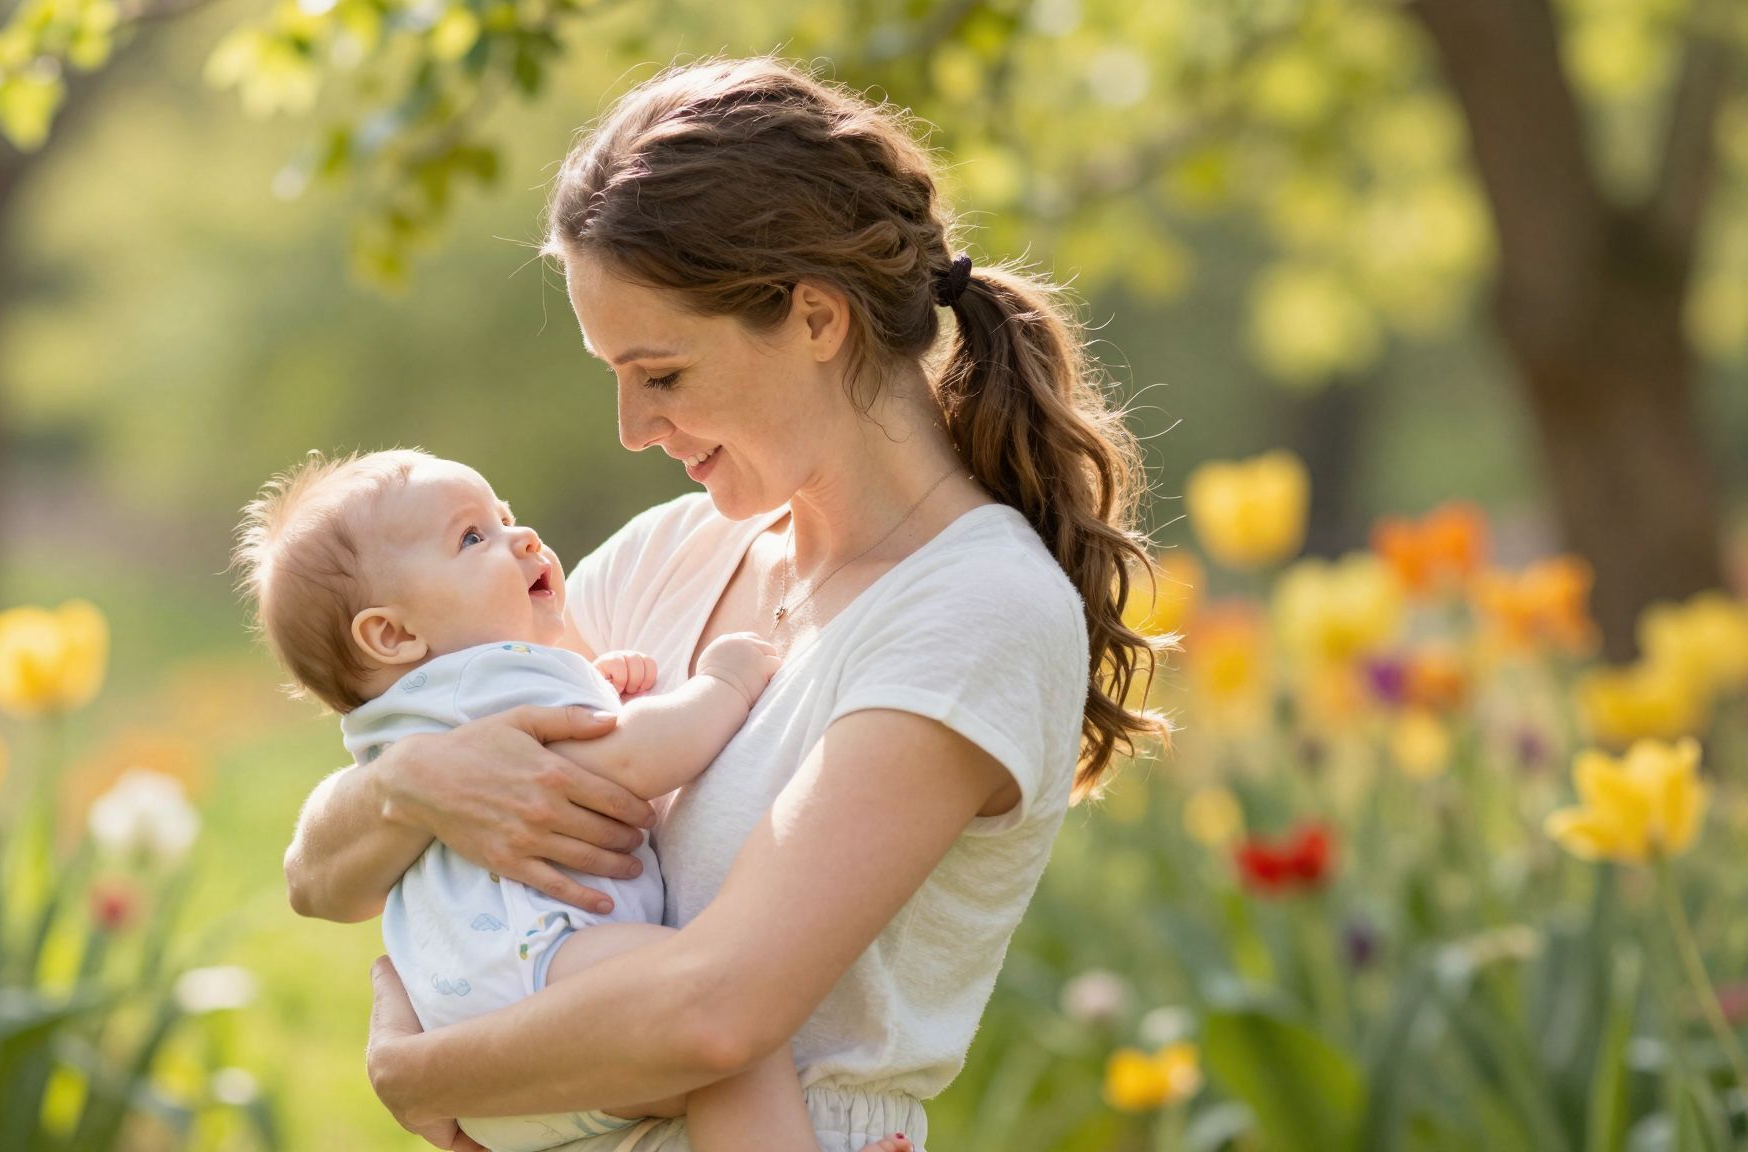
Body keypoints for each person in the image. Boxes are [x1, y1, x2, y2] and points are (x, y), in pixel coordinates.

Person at [282, 56, 1168, 1152]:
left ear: (813, 319)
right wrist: (414, 783)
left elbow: (719, 1012)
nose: (629, 427)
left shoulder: (975, 606)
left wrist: (418, 1073)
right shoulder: (673, 554)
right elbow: (315, 875)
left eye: (659, 374)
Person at [234, 448, 917, 1152]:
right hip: (544, 973)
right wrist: (723, 684)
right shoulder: (489, 677)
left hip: (475, 1053)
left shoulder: (408, 719)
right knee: (730, 1037)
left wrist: (596, 684)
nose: (521, 538)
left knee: (702, 1070)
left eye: (506, 517)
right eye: (473, 538)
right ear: (394, 633)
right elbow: (634, 758)